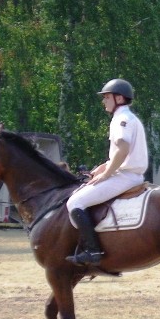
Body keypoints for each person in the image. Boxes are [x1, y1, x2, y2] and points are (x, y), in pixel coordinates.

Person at [65, 78, 148, 265]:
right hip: (128, 174)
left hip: (126, 177)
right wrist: (101, 168)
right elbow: (121, 155)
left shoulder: (121, 119)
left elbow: (123, 149)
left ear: (118, 98)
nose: (103, 101)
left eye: (106, 97)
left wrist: (107, 174)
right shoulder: (128, 118)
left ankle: (93, 251)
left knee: (75, 202)